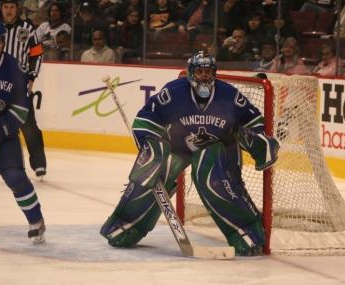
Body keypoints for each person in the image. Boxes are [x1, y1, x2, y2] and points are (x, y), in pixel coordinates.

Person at [100, 51, 279, 256]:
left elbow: (254, 121)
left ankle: (246, 232)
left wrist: (256, 140)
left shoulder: (230, 96)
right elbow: (145, 120)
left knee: (213, 180)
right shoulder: (174, 93)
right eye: (199, 71)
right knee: (152, 171)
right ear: (190, 73)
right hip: (179, 146)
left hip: (220, 149)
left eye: (208, 71)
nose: (204, 76)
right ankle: (126, 225)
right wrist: (151, 144)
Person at [0, 20, 46, 244]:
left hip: (1, 126)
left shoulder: (13, 67)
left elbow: (21, 106)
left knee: (15, 177)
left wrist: (4, 128)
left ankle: (36, 221)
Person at [0, 0, 47, 179]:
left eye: (12, 7)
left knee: (29, 126)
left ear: (17, 9)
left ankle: (39, 164)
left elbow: (37, 54)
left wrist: (32, 77)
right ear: (1, 8)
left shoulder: (28, 28)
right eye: (6, 7)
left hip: (19, 85)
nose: (9, 10)